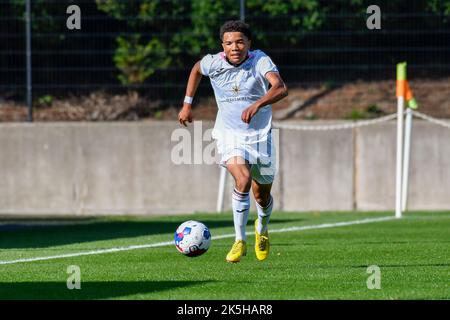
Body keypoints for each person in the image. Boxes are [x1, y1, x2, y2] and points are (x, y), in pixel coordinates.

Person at [178, 20, 288, 263]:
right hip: (229, 136)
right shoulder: (214, 62)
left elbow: (280, 88)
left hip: (261, 137)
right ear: (222, 46)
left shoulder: (260, 61)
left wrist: (258, 103)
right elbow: (196, 69)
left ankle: (262, 227)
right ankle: (240, 240)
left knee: (262, 196)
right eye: (229, 43)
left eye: (240, 42)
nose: (234, 47)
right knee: (243, 179)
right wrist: (187, 104)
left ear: (249, 43)